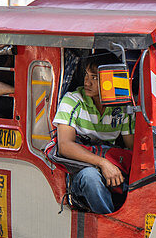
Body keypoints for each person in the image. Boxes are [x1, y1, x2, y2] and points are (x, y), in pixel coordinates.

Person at [52, 54, 134, 214]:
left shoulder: (123, 106)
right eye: (86, 75)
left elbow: (131, 149)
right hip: (80, 170)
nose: (87, 82)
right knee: (90, 178)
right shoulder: (73, 100)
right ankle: (111, 223)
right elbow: (65, 146)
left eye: (95, 78)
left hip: (111, 164)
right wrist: (103, 163)